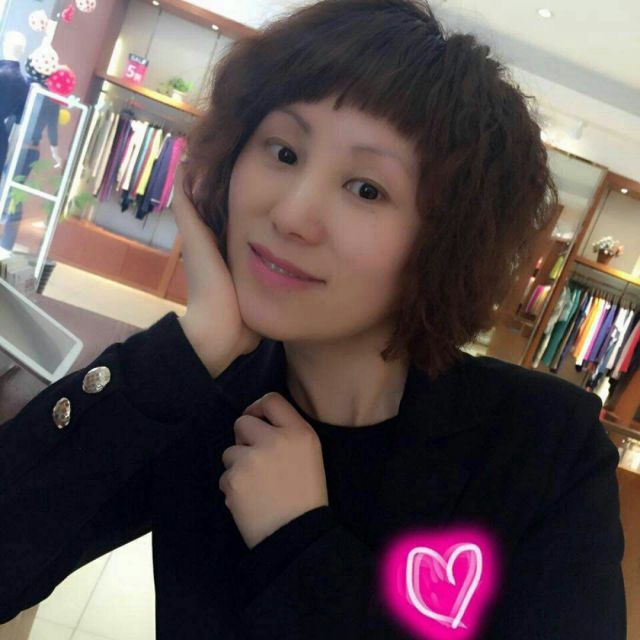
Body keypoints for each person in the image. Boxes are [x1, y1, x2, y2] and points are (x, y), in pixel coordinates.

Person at [0, 0, 626, 638]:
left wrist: (299, 545)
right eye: (283, 151)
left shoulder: (544, 446)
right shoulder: (200, 395)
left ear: (448, 241)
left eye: (366, 189)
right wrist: (194, 346)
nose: (292, 215)